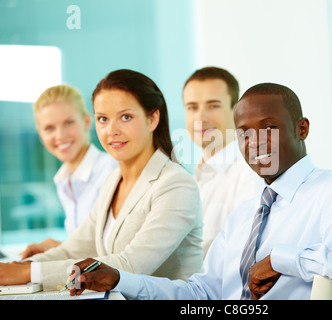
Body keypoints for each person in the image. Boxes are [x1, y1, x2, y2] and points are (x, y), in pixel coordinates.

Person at [68, 82, 332, 300]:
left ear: (302, 128)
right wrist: (120, 280)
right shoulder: (245, 214)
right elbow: (202, 293)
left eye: (269, 127)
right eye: (244, 133)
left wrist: (283, 259)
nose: (255, 143)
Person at [0, 69, 203, 291]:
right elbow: (73, 249)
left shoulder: (175, 184)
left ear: (152, 118)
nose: (111, 130)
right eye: (103, 119)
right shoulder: (114, 181)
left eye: (126, 117)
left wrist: (29, 272)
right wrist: (17, 267)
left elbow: (130, 265)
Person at [19, 84, 118, 259]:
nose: (60, 135)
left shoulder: (111, 169)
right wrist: (58, 248)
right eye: (49, 128)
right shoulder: (63, 181)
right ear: (40, 134)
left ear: (87, 121)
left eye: (68, 123)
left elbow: (117, 250)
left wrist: (59, 248)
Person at [182, 67, 261, 255]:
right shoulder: (196, 176)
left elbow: (243, 253)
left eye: (213, 106)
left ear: (237, 111)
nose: (200, 117)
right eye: (192, 107)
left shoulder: (251, 172)